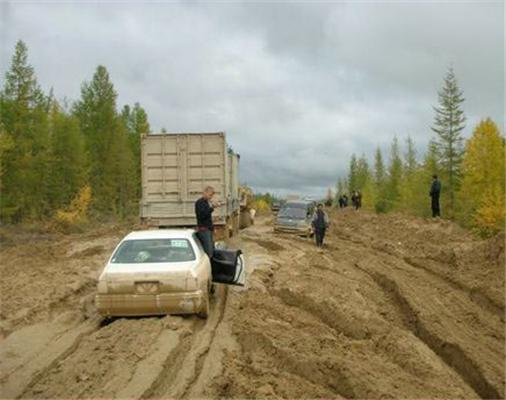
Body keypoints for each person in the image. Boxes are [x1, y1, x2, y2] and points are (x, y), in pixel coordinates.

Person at [195, 186, 222, 258]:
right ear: (205, 193)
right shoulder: (199, 203)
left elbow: (207, 217)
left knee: (212, 250)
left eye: (211, 196)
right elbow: (202, 215)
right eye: (210, 195)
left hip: (208, 230)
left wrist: (213, 223)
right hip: (204, 230)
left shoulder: (206, 202)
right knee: (209, 252)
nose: (210, 197)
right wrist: (212, 207)